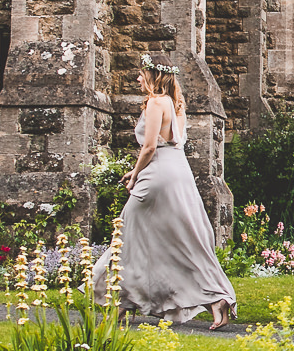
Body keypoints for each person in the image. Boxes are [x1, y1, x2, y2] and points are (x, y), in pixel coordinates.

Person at [93, 56, 235, 328]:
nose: (137, 78)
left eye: (141, 73)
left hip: (158, 173)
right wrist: (136, 171)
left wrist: (135, 176)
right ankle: (216, 300)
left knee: (127, 234)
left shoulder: (157, 102)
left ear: (154, 75)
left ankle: (119, 303)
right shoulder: (175, 103)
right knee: (181, 238)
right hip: (177, 172)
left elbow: (148, 148)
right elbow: (170, 145)